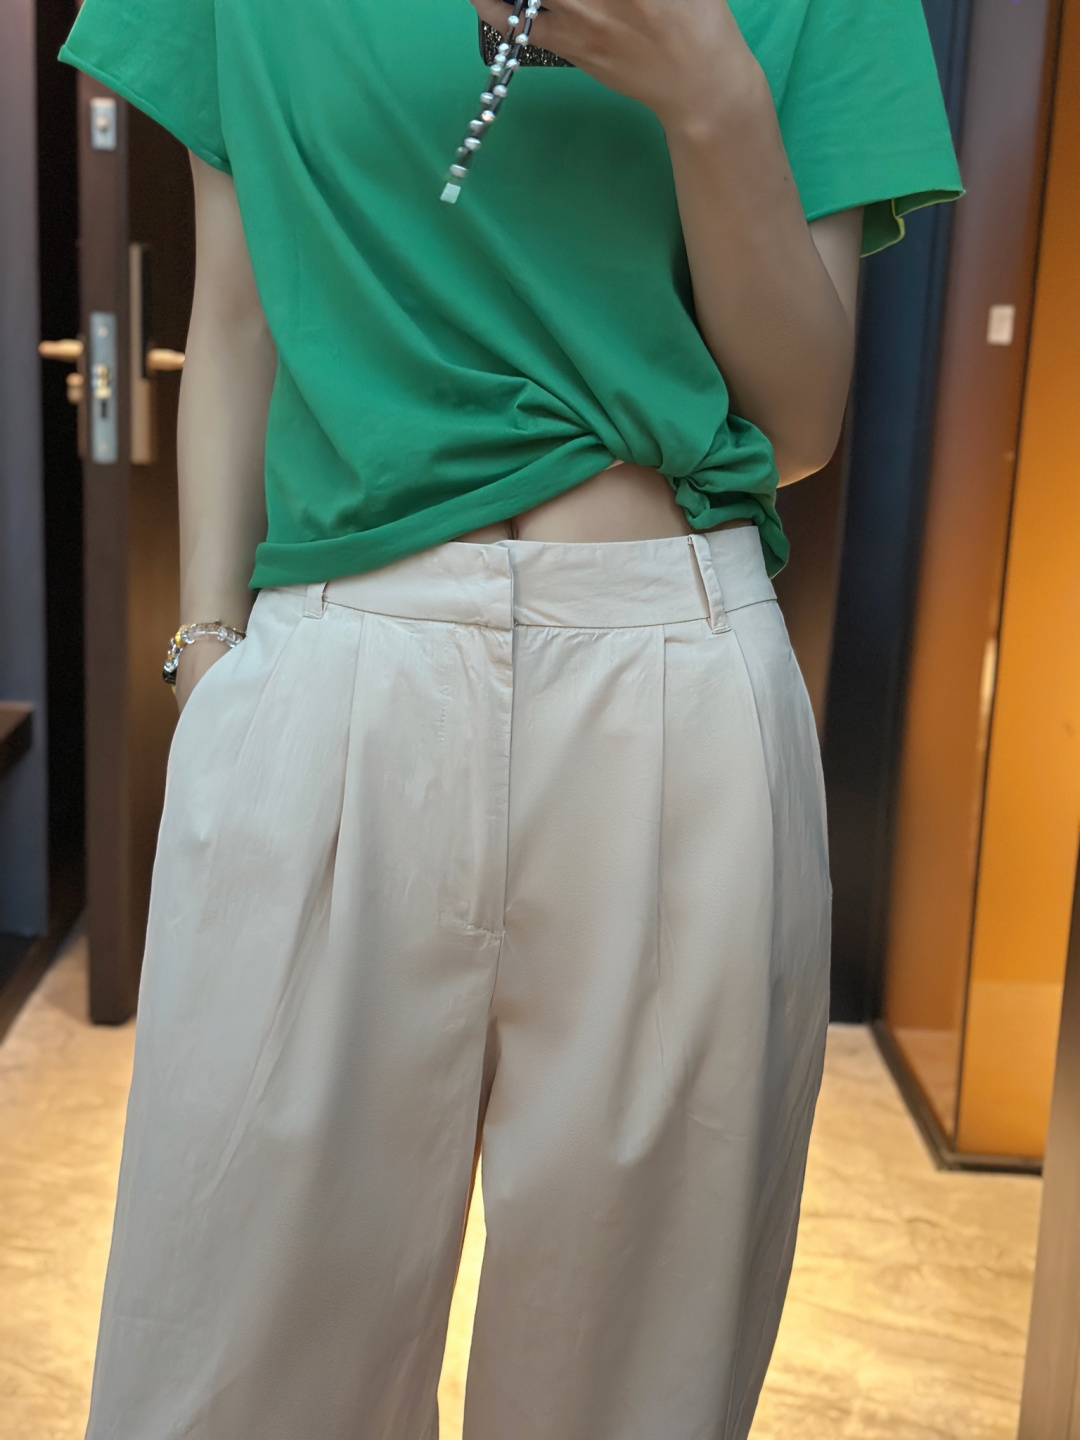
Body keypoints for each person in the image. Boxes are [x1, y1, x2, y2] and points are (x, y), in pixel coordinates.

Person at [59, 0, 961, 1435]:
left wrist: (712, 98)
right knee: (230, 1372)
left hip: (670, 677)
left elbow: (797, 423)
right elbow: (234, 311)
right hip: (338, 668)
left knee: (638, 1382)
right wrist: (212, 658)